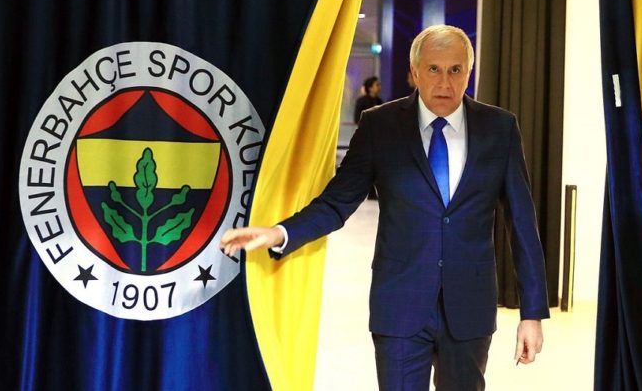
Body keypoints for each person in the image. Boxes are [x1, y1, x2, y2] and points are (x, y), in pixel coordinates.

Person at [221, 25, 549, 390]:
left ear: (468, 72)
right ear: (415, 72)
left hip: (469, 307)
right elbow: (337, 202)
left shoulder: (499, 128)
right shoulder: (380, 126)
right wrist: (280, 233)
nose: (445, 82)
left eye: (455, 70)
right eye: (433, 69)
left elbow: (522, 224)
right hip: (399, 304)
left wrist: (532, 313)